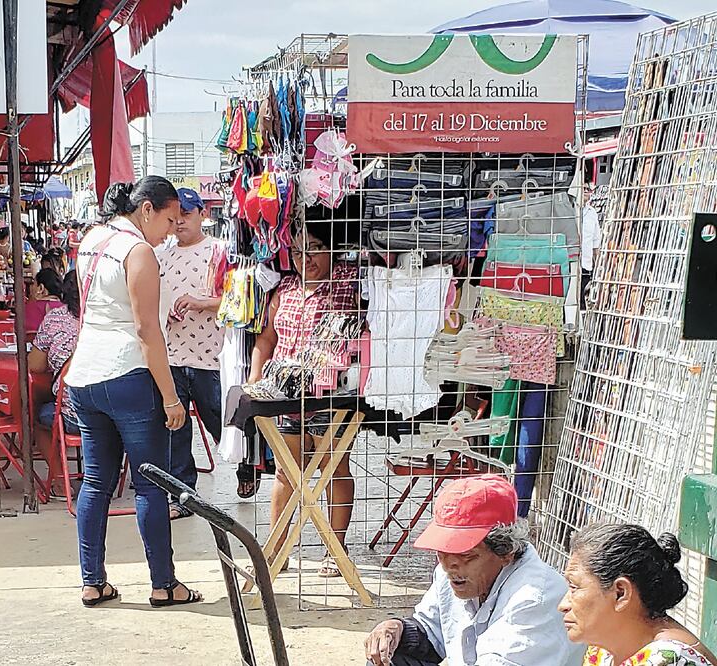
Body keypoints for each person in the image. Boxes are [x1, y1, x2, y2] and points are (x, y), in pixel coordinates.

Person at [64, 176, 200, 608]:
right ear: (146, 210)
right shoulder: (138, 251)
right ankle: (164, 584)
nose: (171, 230)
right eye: (169, 219)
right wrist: (171, 397)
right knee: (149, 486)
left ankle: (93, 581)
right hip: (128, 376)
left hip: (85, 376)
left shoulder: (91, 239)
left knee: (96, 483)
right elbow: (147, 331)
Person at [365, 475, 583, 666]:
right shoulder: (450, 572)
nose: (449, 565)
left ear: (506, 552)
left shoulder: (535, 598)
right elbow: (431, 632)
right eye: (442, 551)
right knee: (392, 652)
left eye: (466, 555)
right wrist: (396, 628)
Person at [250, 219, 359, 577]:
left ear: (331, 248)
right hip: (285, 392)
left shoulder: (350, 281)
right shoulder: (285, 288)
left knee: (333, 467)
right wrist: (255, 377)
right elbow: (266, 339)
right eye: (298, 250)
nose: (306, 257)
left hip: (332, 394)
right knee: (286, 471)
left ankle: (335, 549)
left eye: (315, 247)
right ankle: (277, 549)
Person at [156, 188, 224, 520]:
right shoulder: (161, 256)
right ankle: (182, 496)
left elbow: (238, 302)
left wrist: (201, 303)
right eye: (176, 214)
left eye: (187, 212)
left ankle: (247, 467)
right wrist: (165, 312)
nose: (180, 220)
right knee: (176, 430)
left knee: (221, 420)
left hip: (211, 355)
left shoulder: (219, 252)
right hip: (172, 356)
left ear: (201, 214)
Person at [559, 523, 716, 666]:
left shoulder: (669, 660)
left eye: (574, 587)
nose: (563, 605)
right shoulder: (604, 648)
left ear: (621, 593)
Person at [29, 270, 81, 498]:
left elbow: (35, 365)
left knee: (39, 418)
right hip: (117, 415)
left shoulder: (55, 319)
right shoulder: (115, 319)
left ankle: (61, 482)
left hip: (71, 415)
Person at [580, 184, 602, 309]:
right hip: (570, 263)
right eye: (583, 189)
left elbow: (595, 241)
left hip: (586, 264)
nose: (586, 192)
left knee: (583, 299)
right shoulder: (570, 210)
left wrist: (597, 265)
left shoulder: (592, 213)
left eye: (587, 190)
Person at [25, 268, 64, 332]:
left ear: (40, 288)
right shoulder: (66, 310)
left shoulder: (29, 308)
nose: (31, 288)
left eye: (33, 284)